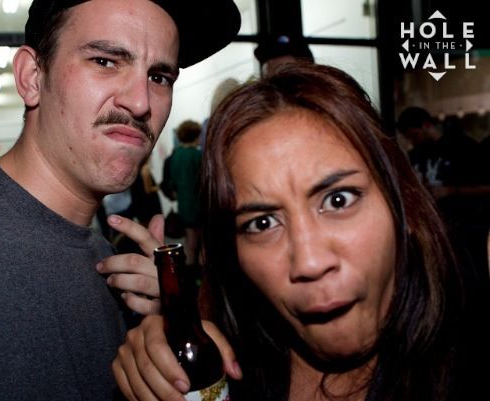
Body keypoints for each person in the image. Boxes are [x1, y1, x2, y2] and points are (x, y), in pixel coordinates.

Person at [0, 0, 240, 400]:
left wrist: (168, 325)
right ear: (32, 77)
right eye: (105, 62)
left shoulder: (116, 275)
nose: (141, 102)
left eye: (159, 77)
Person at [112, 63, 487, 401]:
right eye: (262, 223)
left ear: (403, 206)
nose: (309, 262)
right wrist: (168, 348)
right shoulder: (225, 373)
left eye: (338, 200)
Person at [166, 120, 203, 266]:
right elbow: (203, 181)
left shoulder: (176, 155)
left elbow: (171, 182)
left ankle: (189, 271)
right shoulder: (197, 155)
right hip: (198, 205)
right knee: (202, 242)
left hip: (183, 205)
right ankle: (200, 272)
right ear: (195, 135)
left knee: (189, 240)